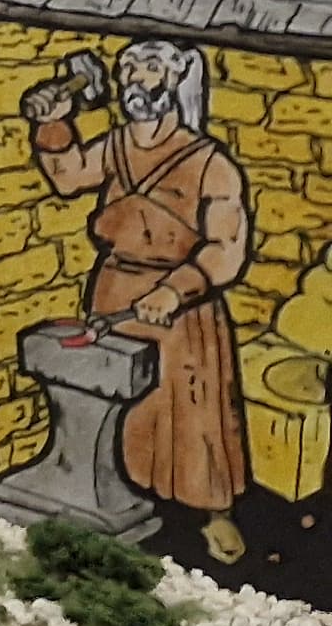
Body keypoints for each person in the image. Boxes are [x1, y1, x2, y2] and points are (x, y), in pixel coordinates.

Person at [29, 37, 254, 561]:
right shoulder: (115, 146)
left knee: (191, 413)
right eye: (129, 69)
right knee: (116, 406)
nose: (135, 80)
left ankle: (212, 515)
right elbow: (69, 177)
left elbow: (226, 247)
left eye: (150, 68)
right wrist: (54, 125)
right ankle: (121, 501)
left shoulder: (210, 163)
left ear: (177, 82)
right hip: (116, 292)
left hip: (181, 307)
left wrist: (175, 289)